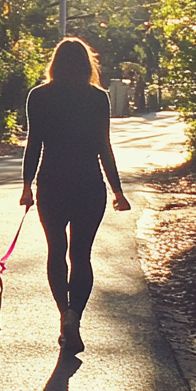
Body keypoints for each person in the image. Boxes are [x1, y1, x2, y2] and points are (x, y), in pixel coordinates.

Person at [21, 37, 131, 354]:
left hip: (52, 184)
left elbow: (34, 144)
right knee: (81, 255)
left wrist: (27, 185)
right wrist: (117, 190)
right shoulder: (97, 97)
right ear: (87, 64)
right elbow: (103, 146)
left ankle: (63, 317)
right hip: (88, 184)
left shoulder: (39, 97)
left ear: (54, 63)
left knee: (56, 252)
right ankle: (74, 317)